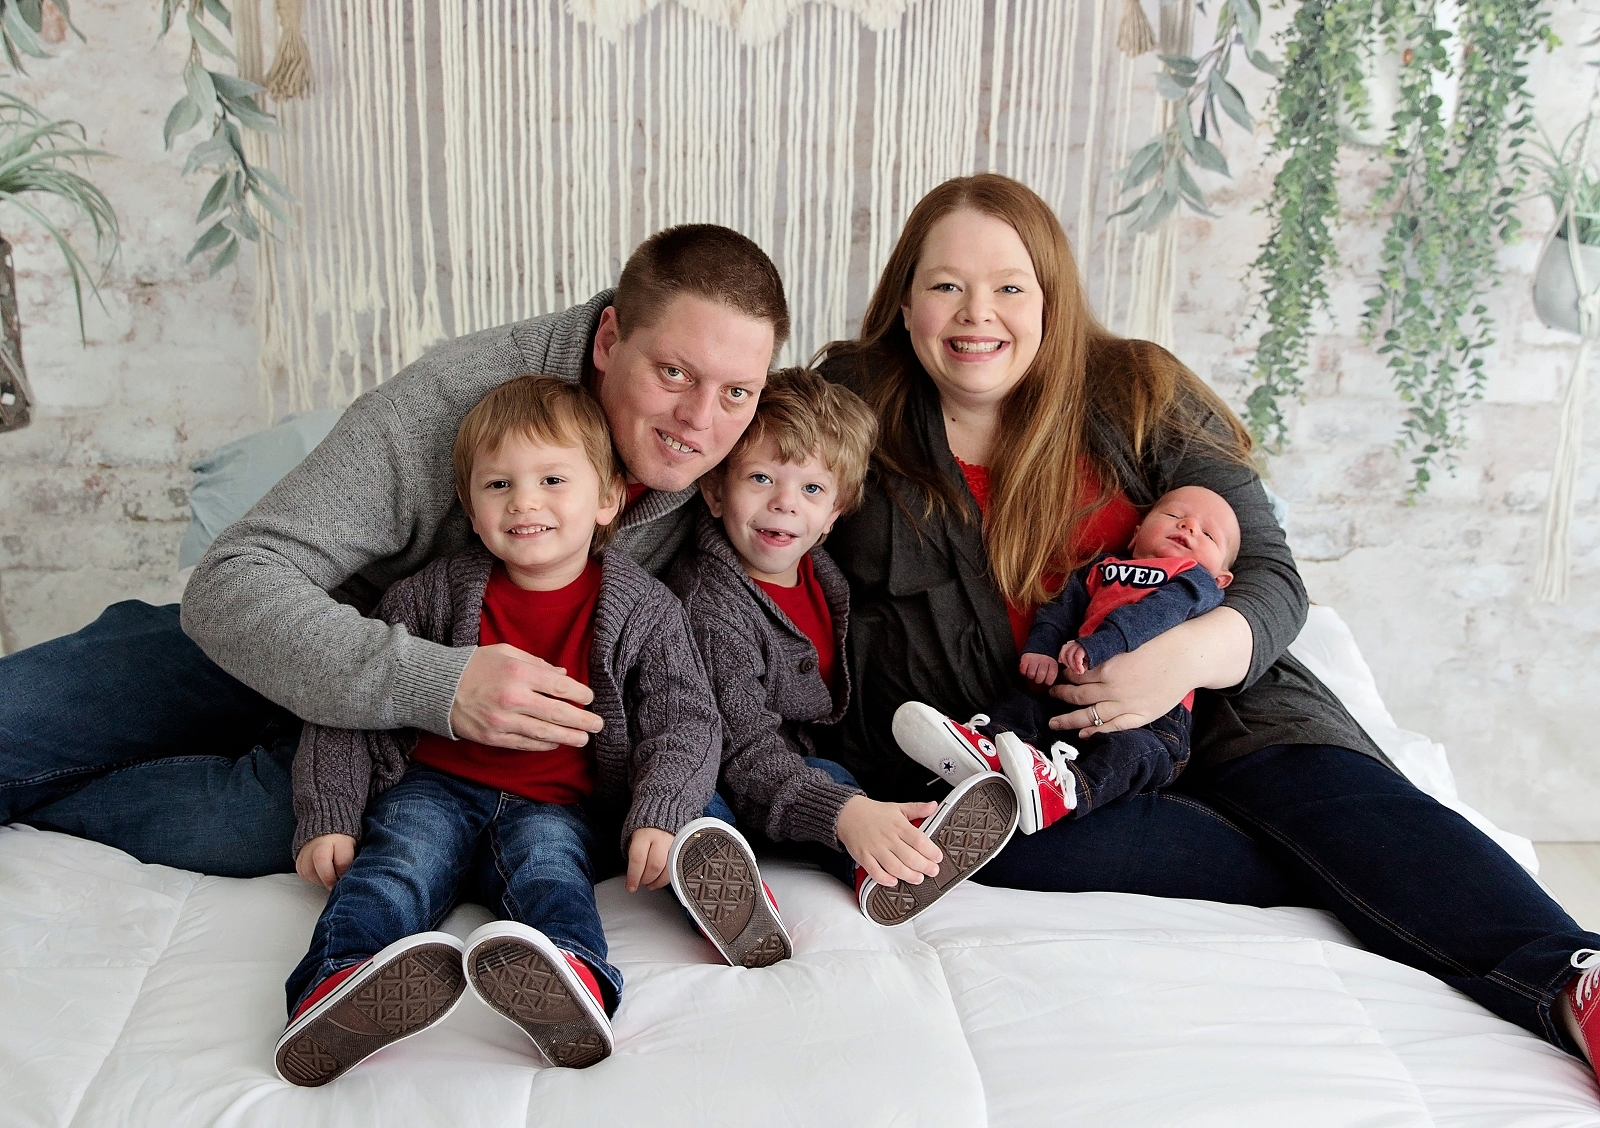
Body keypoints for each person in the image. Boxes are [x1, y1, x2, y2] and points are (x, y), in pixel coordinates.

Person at [815, 173, 1600, 1084]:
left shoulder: (1136, 387)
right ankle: (1338, 865)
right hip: (1038, 752)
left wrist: (1177, 660)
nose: (975, 312)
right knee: (980, 837)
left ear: (1052, 298)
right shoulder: (850, 408)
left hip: (1227, 705)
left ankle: (1575, 978)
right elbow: (727, 476)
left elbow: (1269, 570)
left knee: (1339, 803)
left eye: (1009, 286)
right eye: (946, 283)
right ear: (904, 300)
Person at [0, 224, 782, 877]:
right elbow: (231, 584)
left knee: (260, 827)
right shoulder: (453, 398)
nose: (698, 421)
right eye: (673, 372)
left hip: (397, 752)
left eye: (736, 392)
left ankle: (35, 811)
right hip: (292, 635)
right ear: (610, 338)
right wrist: (435, 680)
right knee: (18, 722)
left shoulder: (734, 474)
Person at [276, 375, 722, 1086]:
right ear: (472, 510)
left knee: (551, 876)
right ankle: (336, 987)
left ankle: (574, 983)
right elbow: (347, 702)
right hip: (434, 787)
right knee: (394, 869)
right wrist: (327, 813)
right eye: (498, 485)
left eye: (552, 478)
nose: (525, 502)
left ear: (607, 498)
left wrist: (661, 812)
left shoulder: (644, 607)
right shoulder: (428, 594)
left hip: (556, 807)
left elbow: (686, 718)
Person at [667, 368, 1017, 941]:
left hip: (788, 766)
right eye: (760, 478)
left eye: (811, 489)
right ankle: (731, 900)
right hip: (716, 764)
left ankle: (891, 868)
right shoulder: (711, 604)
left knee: (846, 787)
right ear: (713, 490)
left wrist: (857, 811)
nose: (784, 504)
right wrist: (842, 811)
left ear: (834, 515)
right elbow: (739, 748)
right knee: (700, 818)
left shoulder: (823, 577)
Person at [894, 485, 1239, 834]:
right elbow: (1061, 609)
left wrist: (1105, 642)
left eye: (1208, 534)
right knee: (1023, 703)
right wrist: (1042, 649)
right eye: (1174, 516)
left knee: (1134, 753)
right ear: (1135, 537)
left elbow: (1161, 612)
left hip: (1154, 717)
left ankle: (1065, 791)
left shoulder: (1196, 580)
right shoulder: (1102, 568)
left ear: (1221, 578)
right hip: (1071, 685)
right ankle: (989, 750)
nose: (1189, 527)